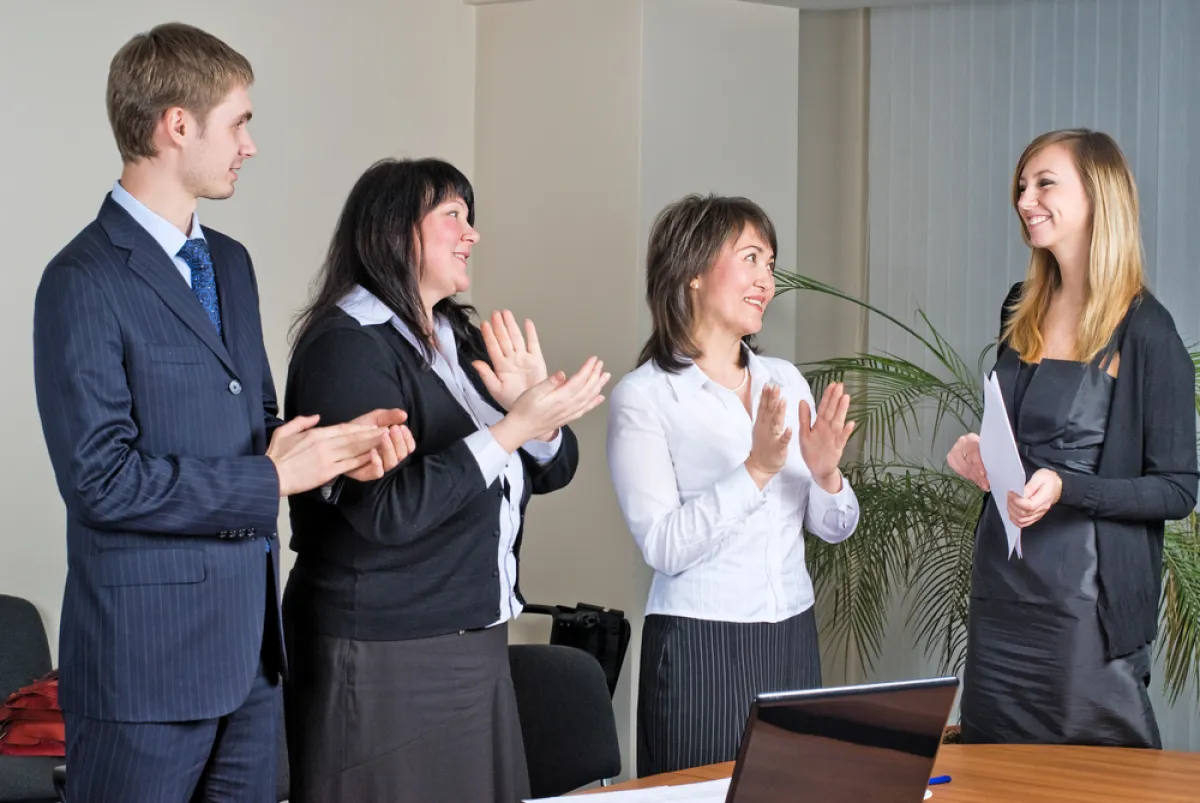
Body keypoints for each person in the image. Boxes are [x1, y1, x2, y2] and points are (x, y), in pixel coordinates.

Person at [31, 23, 411, 802]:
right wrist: (270, 477)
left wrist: (335, 456)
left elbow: (258, 425)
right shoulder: (81, 279)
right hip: (144, 678)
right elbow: (101, 481)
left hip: (252, 666)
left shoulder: (229, 264)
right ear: (177, 124)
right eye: (239, 122)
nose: (250, 145)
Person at [281, 156, 610, 802]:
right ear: (395, 229)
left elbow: (555, 468)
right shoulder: (346, 346)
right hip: (385, 652)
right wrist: (511, 427)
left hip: (472, 639)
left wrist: (535, 420)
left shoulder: (460, 335)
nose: (472, 233)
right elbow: (386, 512)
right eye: (453, 216)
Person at [949, 128, 1198, 748]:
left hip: (1084, 606)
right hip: (1001, 586)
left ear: (1097, 195)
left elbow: (1176, 489)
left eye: (1044, 184)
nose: (1024, 200)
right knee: (994, 770)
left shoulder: (1147, 330)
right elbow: (1018, 433)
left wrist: (1067, 487)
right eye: (1021, 186)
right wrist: (980, 451)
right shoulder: (1020, 306)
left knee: (1099, 777)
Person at [606, 194, 859, 777]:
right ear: (692, 271)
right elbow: (663, 547)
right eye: (750, 259)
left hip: (792, 634)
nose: (766, 280)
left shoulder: (785, 380)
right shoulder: (644, 396)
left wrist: (826, 475)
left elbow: (834, 528)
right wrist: (756, 470)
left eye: (770, 264)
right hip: (700, 645)